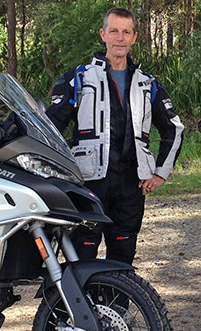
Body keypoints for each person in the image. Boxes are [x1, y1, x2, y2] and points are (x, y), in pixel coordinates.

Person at [46, 7, 183, 264]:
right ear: (103, 35)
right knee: (81, 255)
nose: (119, 38)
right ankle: (79, 305)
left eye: (126, 32)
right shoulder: (80, 78)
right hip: (88, 182)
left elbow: (173, 128)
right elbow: (51, 124)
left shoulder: (147, 84)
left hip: (131, 183)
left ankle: (116, 306)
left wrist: (159, 173)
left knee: (122, 258)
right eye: (114, 31)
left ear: (134, 37)